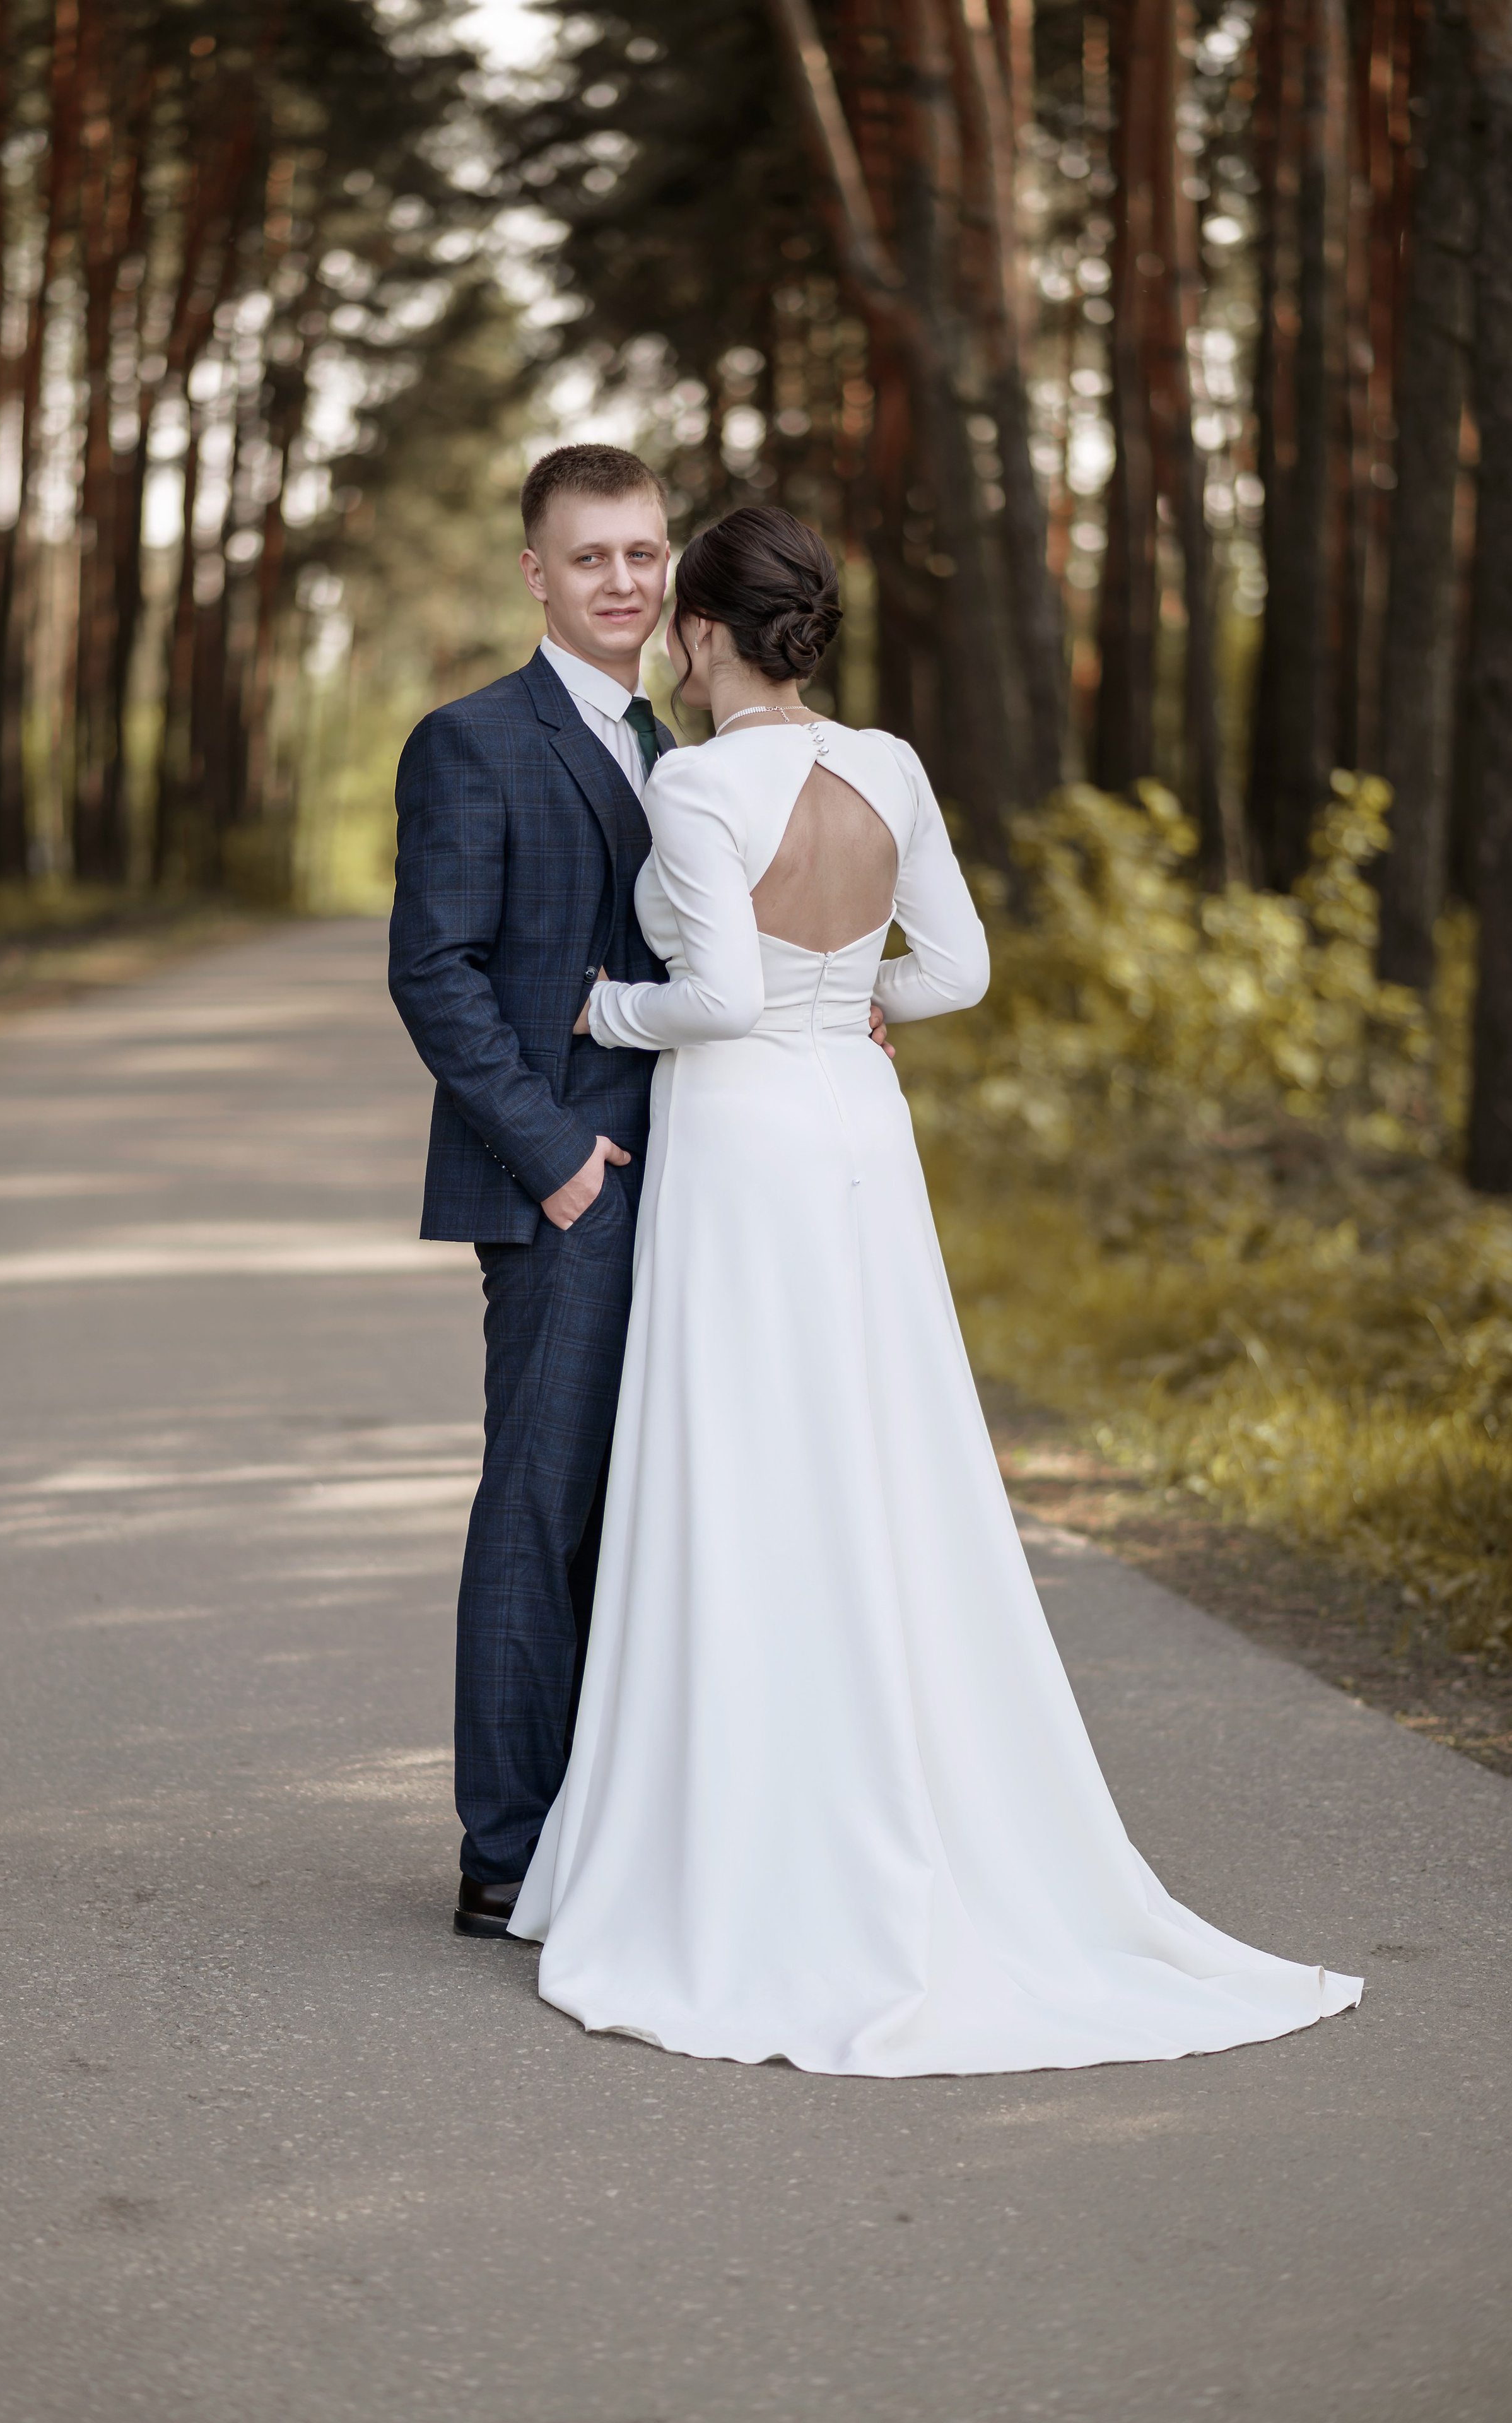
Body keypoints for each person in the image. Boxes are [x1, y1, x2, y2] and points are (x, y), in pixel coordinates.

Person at [508, 504, 1363, 2075]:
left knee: (742, 1459)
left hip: (747, 1136)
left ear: (701, 633)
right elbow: (956, 971)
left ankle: (738, 1823)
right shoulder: (888, 766)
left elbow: (718, 998)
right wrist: (856, 996)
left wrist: (598, 1009)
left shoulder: (695, 782)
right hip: (857, 1120)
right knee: (877, 1446)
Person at [388, 444, 677, 1938]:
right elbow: (432, 972)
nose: (620, 581)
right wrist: (551, 1156)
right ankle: (504, 1850)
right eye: (589, 557)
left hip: (695, 1180)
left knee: (646, 1508)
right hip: (564, 1184)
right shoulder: (472, 740)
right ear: (534, 573)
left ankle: (606, 1828)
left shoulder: (679, 750)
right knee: (539, 1503)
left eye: (641, 553)